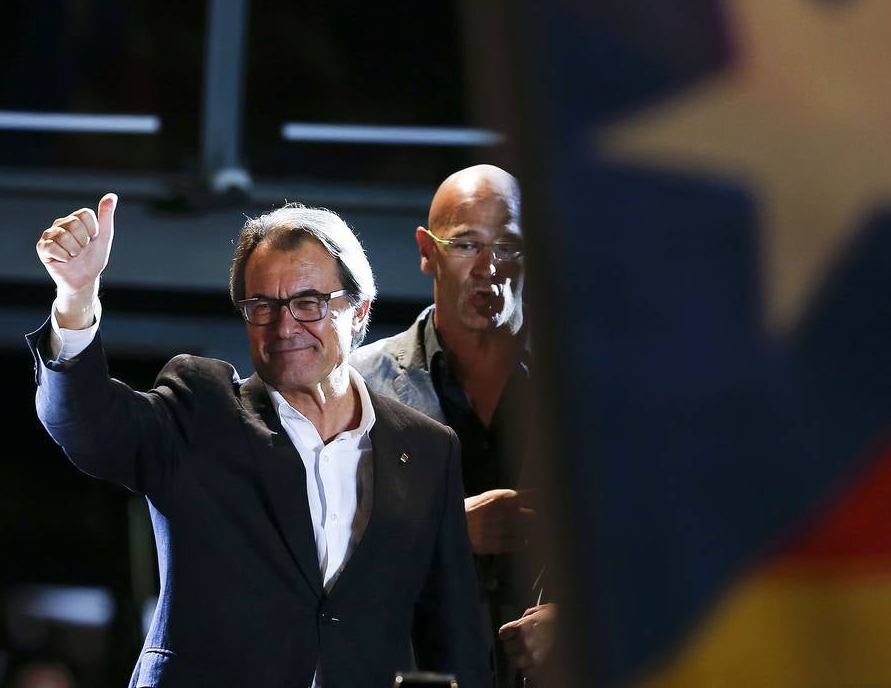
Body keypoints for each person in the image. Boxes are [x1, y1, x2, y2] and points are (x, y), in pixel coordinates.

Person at [28, 195, 489, 688]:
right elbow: (86, 425)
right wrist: (75, 296)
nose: (284, 326)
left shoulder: (427, 449)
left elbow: (453, 633)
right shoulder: (201, 409)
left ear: (359, 311)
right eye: (262, 306)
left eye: (308, 303)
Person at [351, 166, 557, 685]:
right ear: (427, 250)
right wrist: (445, 528)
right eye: (466, 244)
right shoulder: (357, 383)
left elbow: (660, 535)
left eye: (508, 247)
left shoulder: (596, 387)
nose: (489, 267)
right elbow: (313, 544)